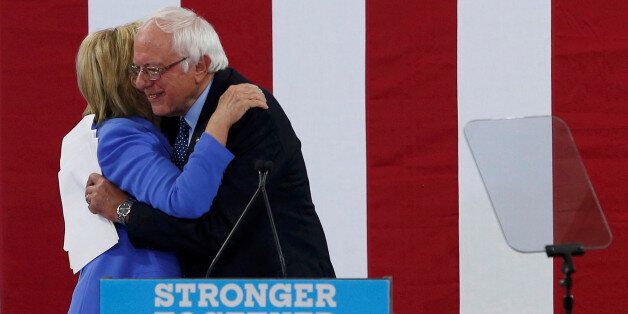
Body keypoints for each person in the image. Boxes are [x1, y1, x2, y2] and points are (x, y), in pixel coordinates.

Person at [86, 7, 336, 278]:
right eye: (137, 69)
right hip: (218, 292)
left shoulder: (249, 115)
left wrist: (124, 210)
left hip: (283, 292)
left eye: (153, 70)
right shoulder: (172, 112)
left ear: (199, 67)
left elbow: (216, 233)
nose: (140, 82)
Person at [66, 22, 266, 313]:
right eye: (143, 67)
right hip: (128, 289)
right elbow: (183, 200)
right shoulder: (123, 134)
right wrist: (220, 120)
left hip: (136, 287)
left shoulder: (138, 128)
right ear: (127, 77)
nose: (148, 78)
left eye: (154, 68)